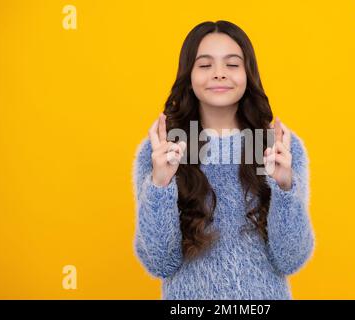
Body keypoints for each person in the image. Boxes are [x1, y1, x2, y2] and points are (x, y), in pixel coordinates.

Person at [132, 20, 315, 299]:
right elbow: (160, 262)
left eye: (232, 64)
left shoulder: (278, 147)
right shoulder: (162, 150)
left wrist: (285, 187)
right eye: (205, 65)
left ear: (248, 74)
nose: (219, 74)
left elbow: (290, 259)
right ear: (189, 76)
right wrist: (159, 183)